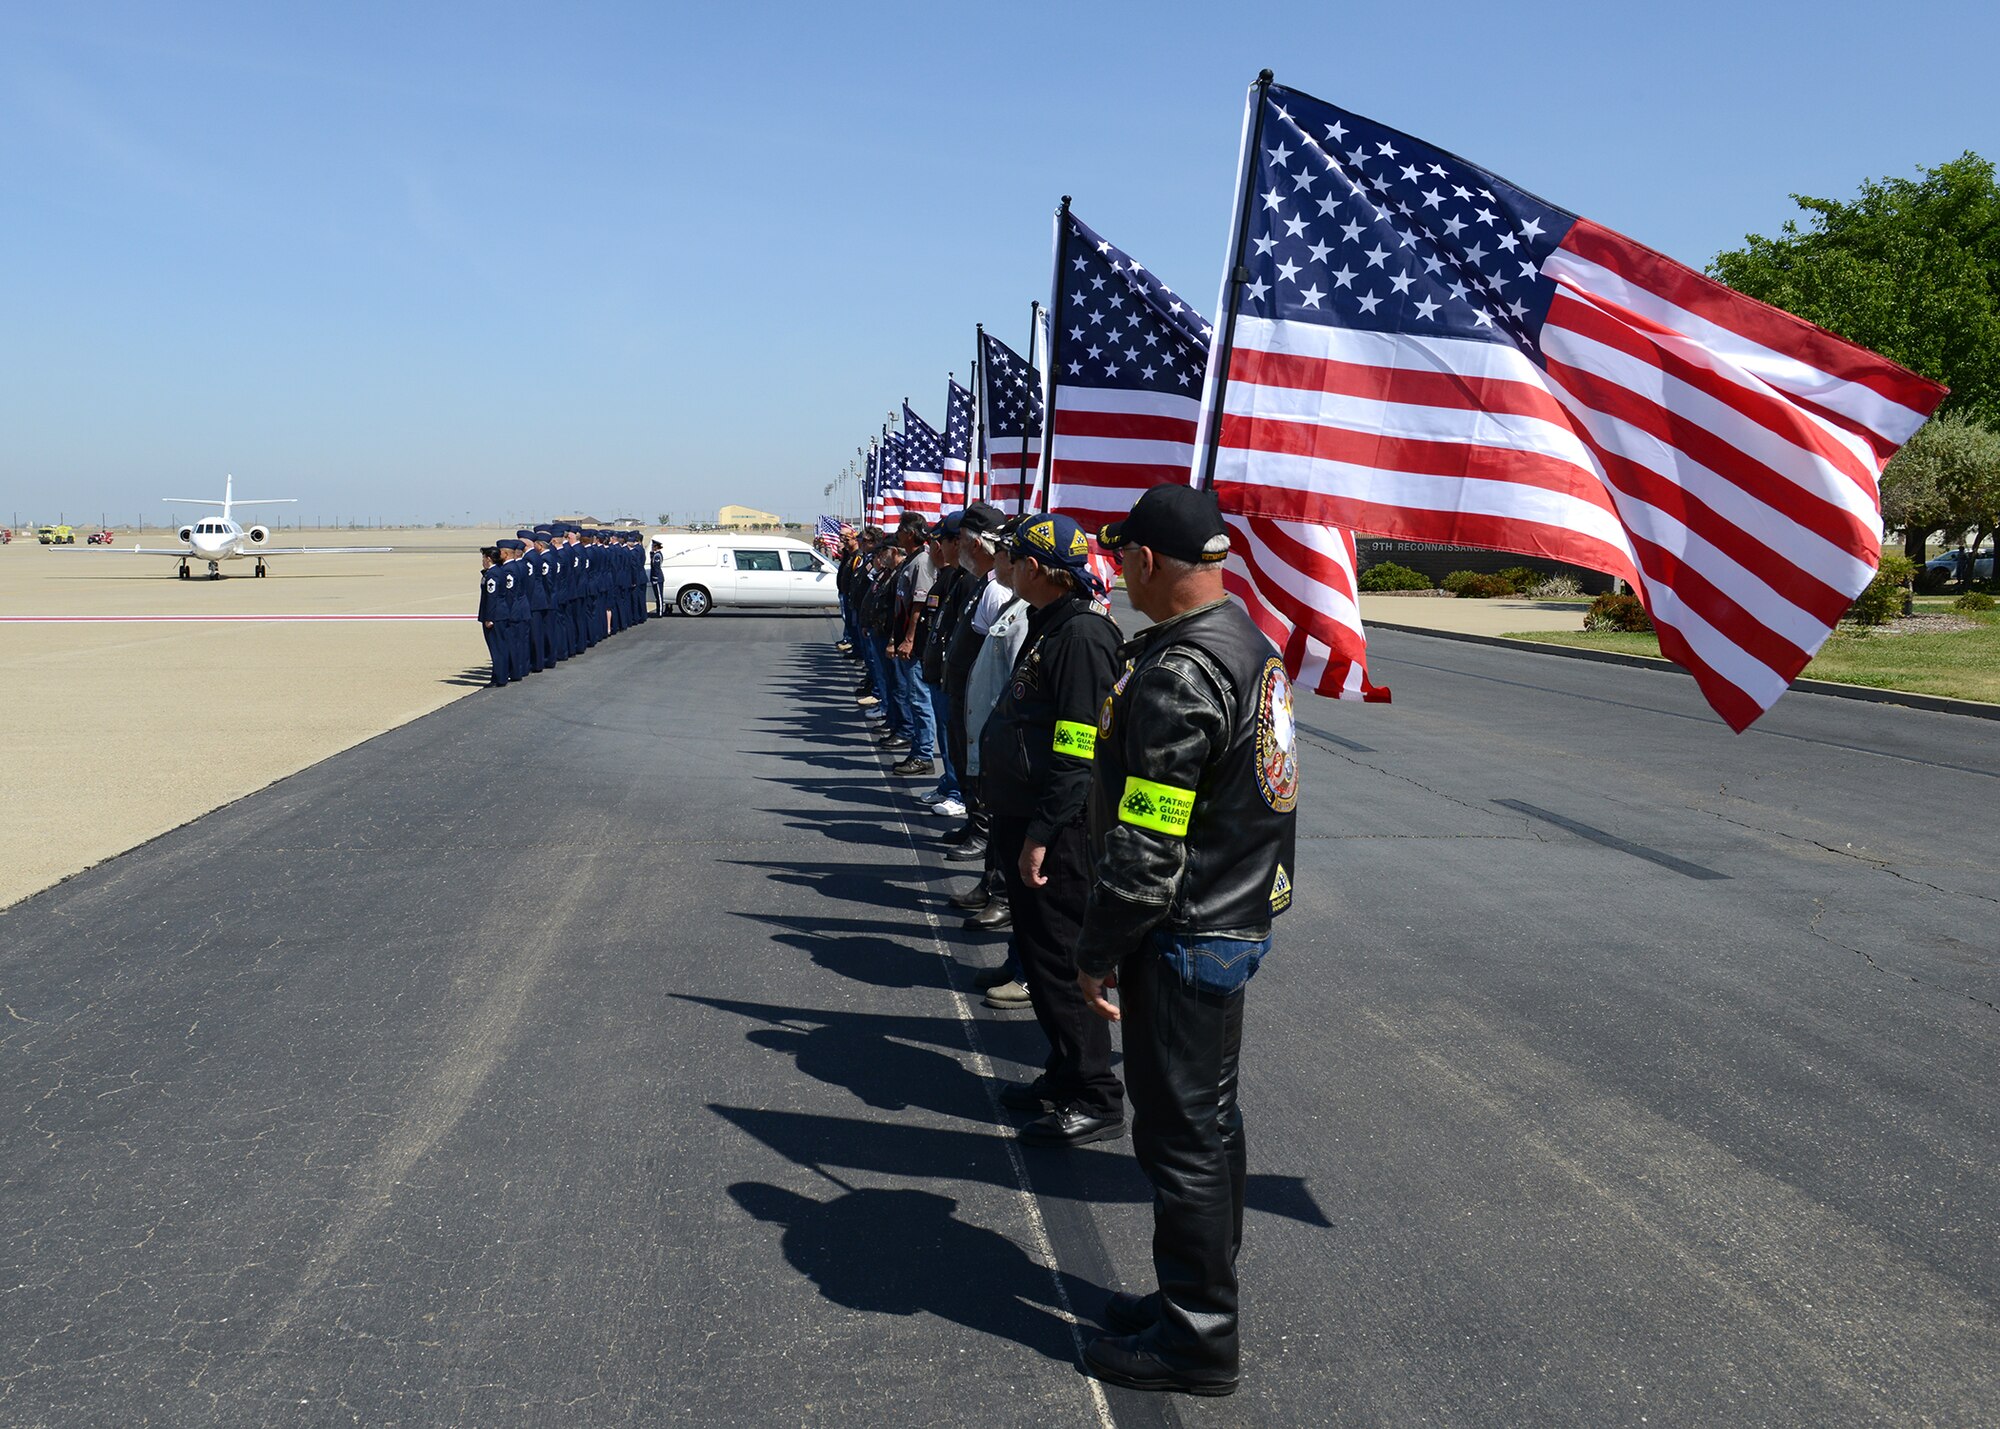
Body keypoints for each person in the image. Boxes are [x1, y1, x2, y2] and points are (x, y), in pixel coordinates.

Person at [1071, 484, 1299, 1398]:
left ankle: (1199, 1337)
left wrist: (1095, 950)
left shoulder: (1177, 672)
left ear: (1147, 562)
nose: (1118, 570)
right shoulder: (1247, 643)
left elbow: (1148, 840)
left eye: (1125, 555)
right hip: (1230, 915)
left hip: (1185, 927)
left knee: (1181, 1138)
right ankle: (1188, 1299)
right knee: (1211, 1124)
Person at [978, 512, 1124, 1145]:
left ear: (1039, 570)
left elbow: (1077, 749)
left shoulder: (1082, 637)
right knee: (1039, 957)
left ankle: (1095, 1092)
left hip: (1058, 831)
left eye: (1018, 560)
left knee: (1061, 960)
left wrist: (1042, 830)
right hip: (1026, 818)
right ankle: (1065, 1071)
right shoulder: (1049, 624)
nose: (1010, 568)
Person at [887, 513, 937, 778]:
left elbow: (920, 605)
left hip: (915, 645)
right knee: (913, 697)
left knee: (919, 699)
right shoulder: (911, 560)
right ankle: (918, 750)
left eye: (900, 529)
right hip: (906, 640)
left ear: (911, 533)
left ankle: (924, 754)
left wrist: (908, 639)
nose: (897, 533)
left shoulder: (922, 562)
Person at [478, 546, 508, 685]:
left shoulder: (493, 575)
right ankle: (497, 677)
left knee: (497, 648)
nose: (482, 561)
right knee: (498, 647)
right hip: (499, 614)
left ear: (489, 559)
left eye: (484, 558)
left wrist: (489, 618)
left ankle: (499, 678)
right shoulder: (497, 572)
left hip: (495, 616)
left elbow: (492, 597)